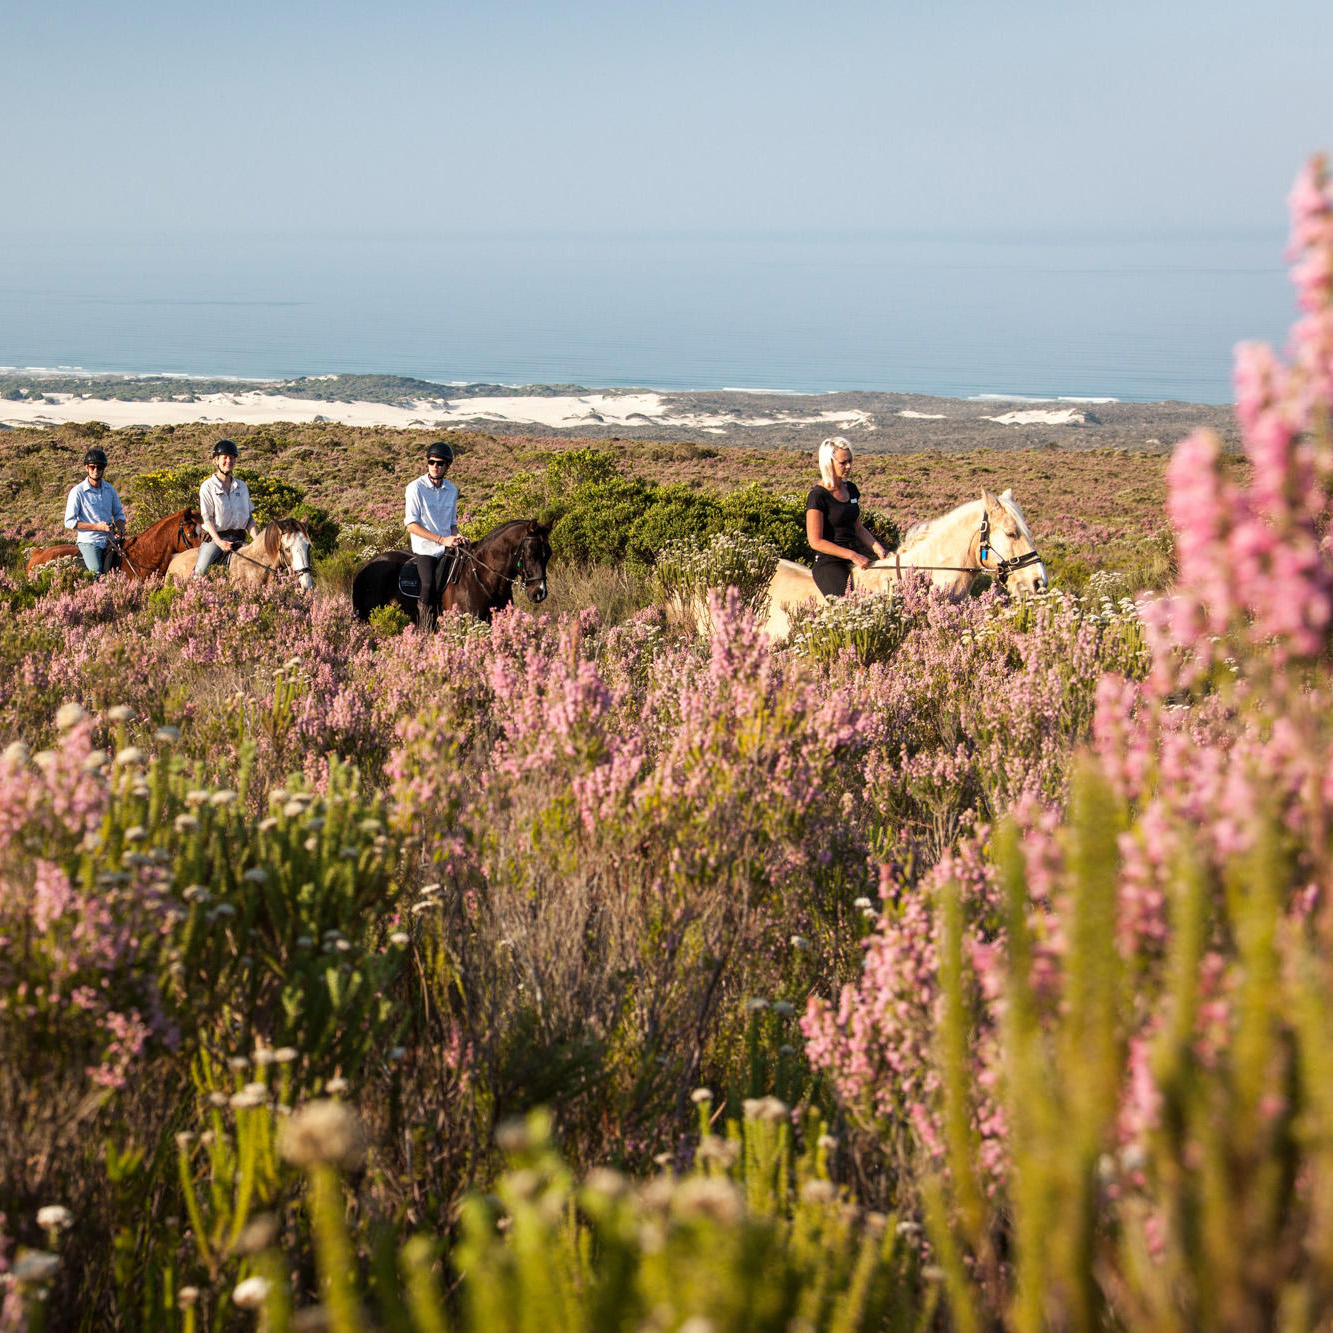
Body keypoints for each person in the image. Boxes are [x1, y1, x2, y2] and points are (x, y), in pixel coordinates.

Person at [806, 437, 888, 597]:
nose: (848, 466)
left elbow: (858, 528)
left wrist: (878, 548)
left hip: (856, 557)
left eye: (850, 461)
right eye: (843, 463)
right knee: (846, 607)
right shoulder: (818, 495)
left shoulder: (851, 489)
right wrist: (852, 555)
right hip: (831, 563)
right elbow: (815, 541)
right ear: (829, 463)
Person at [404, 440, 464, 630]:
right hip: (426, 549)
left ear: (448, 465)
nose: (435, 467)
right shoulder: (415, 488)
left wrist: (458, 536)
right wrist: (441, 539)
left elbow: (452, 524)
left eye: (440, 463)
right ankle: (425, 627)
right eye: (431, 462)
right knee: (429, 584)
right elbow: (411, 525)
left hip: (448, 547)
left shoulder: (452, 490)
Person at [194, 439, 257, 578]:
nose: (229, 461)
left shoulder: (242, 486)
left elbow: (249, 519)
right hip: (216, 539)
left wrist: (258, 540)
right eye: (225, 457)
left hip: (239, 539)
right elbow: (207, 519)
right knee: (199, 574)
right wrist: (219, 542)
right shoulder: (208, 487)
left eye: (232, 458)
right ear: (216, 461)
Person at [64, 447, 127, 576]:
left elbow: (119, 514)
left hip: (109, 540)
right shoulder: (78, 492)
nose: (96, 470)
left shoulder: (110, 490)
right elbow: (69, 522)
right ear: (86, 468)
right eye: (92, 467)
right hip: (89, 541)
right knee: (96, 572)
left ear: (104, 468)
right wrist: (96, 527)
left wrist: (120, 528)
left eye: (99, 467)